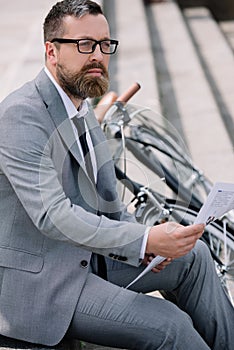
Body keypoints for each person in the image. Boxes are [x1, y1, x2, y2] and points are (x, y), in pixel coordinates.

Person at [0, 1, 233, 349]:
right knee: (170, 325)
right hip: (44, 282)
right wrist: (144, 241)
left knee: (195, 257)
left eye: (105, 44)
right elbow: (53, 215)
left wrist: (146, 245)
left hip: (88, 259)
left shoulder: (81, 106)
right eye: (84, 44)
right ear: (51, 51)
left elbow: (108, 202)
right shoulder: (21, 116)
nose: (98, 55)